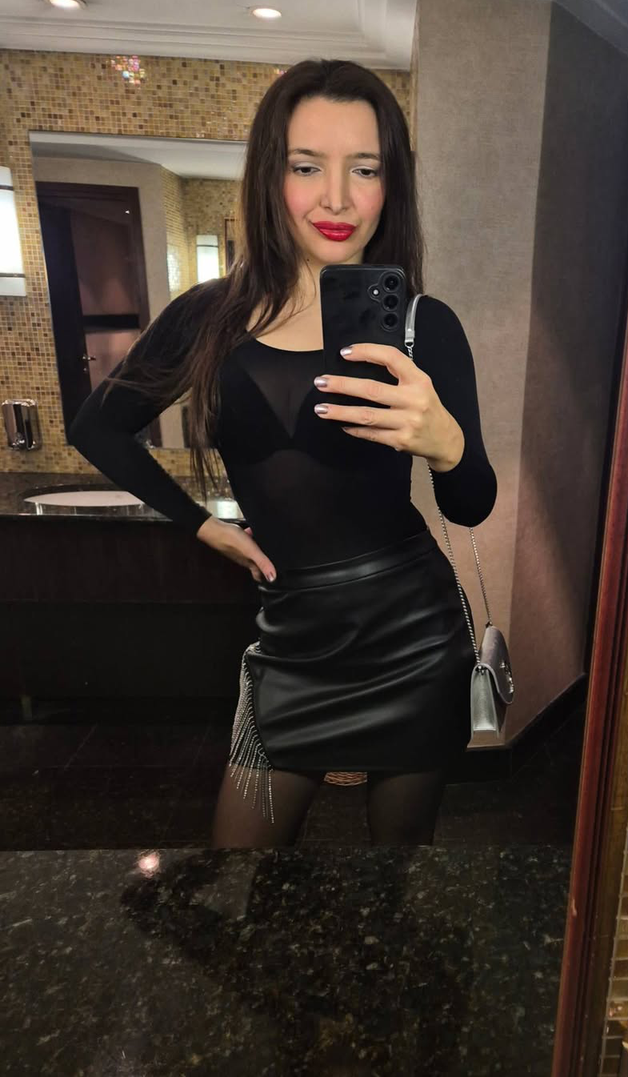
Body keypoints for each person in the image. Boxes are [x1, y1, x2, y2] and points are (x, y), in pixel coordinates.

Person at [68, 58, 497, 850]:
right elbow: (97, 427)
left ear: (390, 185)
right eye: (307, 167)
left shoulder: (424, 325)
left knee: (396, 880)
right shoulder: (208, 317)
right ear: (271, 175)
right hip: (291, 642)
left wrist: (446, 443)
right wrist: (202, 526)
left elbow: (471, 504)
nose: (336, 198)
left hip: (413, 637)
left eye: (363, 169)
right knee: (239, 867)